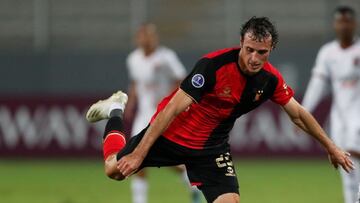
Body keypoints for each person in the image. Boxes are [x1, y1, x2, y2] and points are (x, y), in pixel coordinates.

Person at [86, 17, 354, 203]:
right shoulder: (213, 66)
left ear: (271, 49)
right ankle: (116, 109)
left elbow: (298, 114)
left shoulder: (270, 79)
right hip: (172, 135)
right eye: (249, 50)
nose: (254, 58)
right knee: (114, 170)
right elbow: (172, 109)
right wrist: (139, 154)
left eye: (262, 52)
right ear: (241, 42)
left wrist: (330, 147)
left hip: (212, 148)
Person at [125, 23, 201, 203]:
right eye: (143, 36)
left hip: (162, 114)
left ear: (155, 37)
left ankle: (194, 185)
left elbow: (181, 79)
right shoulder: (133, 59)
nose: (147, 39)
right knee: (136, 157)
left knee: (169, 159)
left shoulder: (166, 57)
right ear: (138, 39)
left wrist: (172, 102)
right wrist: (131, 103)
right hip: (142, 115)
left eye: (150, 35)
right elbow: (135, 82)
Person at [302, 6, 360, 203]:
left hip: (358, 117)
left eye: (347, 21)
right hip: (339, 119)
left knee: (353, 156)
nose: (344, 26)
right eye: (340, 22)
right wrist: (304, 111)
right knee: (345, 166)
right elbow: (317, 86)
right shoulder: (328, 53)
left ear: (354, 24)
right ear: (335, 25)